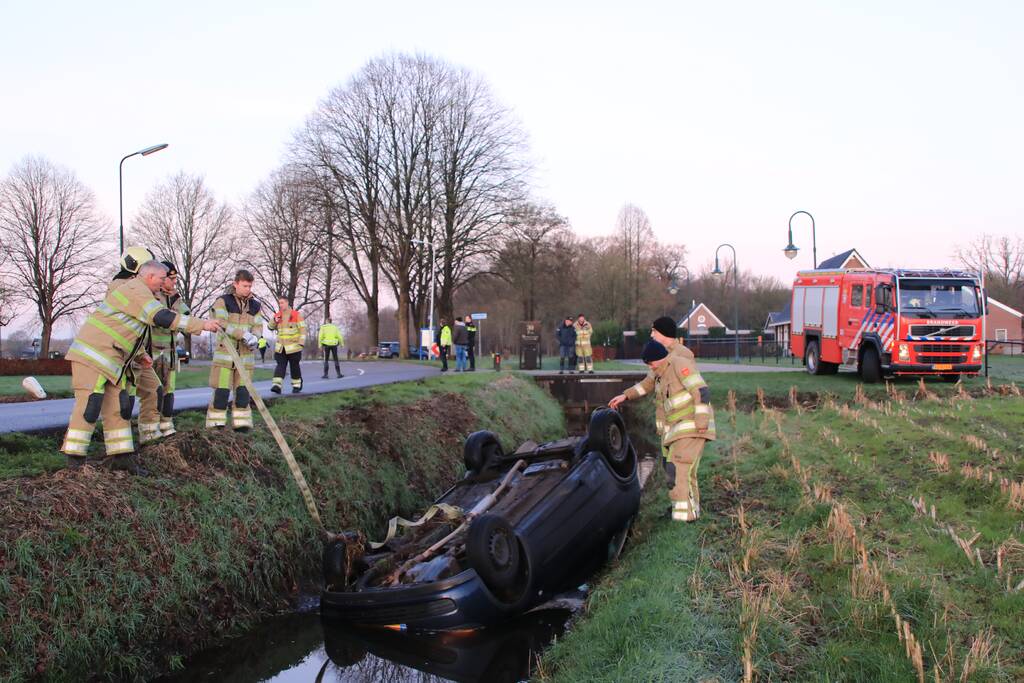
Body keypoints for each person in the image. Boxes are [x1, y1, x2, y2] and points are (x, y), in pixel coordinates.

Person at [62, 260, 219, 474]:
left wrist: (141, 355)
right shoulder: (137, 290)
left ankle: (122, 457)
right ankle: (74, 462)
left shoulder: (141, 292)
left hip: (113, 361)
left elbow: (129, 331)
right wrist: (201, 325)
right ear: (150, 277)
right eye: (163, 279)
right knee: (90, 406)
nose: (165, 284)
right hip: (94, 358)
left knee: (119, 407)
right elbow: (160, 317)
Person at [609, 340, 716, 523]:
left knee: (678, 470)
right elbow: (644, 385)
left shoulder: (679, 364)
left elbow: (701, 391)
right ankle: (690, 513)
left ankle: (685, 519)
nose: (650, 368)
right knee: (682, 472)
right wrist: (625, 395)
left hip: (691, 427)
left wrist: (701, 422)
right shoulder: (659, 373)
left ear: (659, 359)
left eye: (651, 364)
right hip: (676, 431)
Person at [106, 247, 166, 447]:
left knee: (154, 390)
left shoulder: (139, 288)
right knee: (121, 401)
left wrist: (141, 353)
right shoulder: (122, 286)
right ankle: (119, 450)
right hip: (120, 355)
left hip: (136, 354)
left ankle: (149, 438)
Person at [207, 270, 263, 430]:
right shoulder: (223, 301)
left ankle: (242, 427)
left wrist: (255, 338)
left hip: (246, 359)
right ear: (235, 284)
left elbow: (258, 325)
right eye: (244, 285)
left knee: (243, 395)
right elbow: (221, 323)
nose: (248, 289)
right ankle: (215, 428)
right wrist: (243, 334)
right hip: (225, 358)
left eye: (250, 286)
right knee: (221, 394)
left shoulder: (255, 305)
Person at [150, 260, 190, 436]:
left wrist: (176, 301)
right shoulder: (151, 296)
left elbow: (186, 320)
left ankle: (166, 425)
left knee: (169, 391)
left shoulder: (175, 297)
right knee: (152, 392)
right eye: (171, 279)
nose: (174, 282)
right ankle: (151, 427)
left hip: (170, 354)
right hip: (152, 353)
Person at [269, 296, 305, 393]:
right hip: (281, 348)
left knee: (294, 367)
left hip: (294, 348)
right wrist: (274, 321)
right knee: (280, 366)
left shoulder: (296, 315)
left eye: (282, 303)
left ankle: (297, 385)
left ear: (287, 303)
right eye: (279, 303)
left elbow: (303, 330)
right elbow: (270, 327)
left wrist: (301, 343)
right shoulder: (277, 315)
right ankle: (276, 385)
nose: (280, 305)